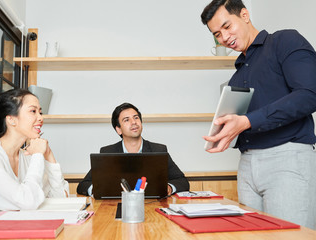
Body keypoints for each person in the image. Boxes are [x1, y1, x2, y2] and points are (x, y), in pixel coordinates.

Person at [201, 0, 316, 229]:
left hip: (287, 158)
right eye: (217, 34)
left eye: (227, 26)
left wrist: (246, 121)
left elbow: (310, 94)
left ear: (244, 15)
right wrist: (225, 133)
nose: (224, 37)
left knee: (290, 235)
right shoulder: (236, 76)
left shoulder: (284, 41)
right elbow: (243, 124)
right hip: (247, 165)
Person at [0, 89, 69, 228]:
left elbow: (60, 200)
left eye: (40, 112)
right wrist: (37, 155)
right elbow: (27, 201)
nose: (40, 118)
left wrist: (48, 155)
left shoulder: (26, 157)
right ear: (11, 119)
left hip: (14, 233)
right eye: (33, 111)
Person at [77, 102, 189, 196]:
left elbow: (182, 182)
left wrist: (169, 187)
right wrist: (95, 190)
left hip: (153, 208)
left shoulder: (158, 149)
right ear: (118, 130)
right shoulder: (108, 152)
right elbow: (83, 185)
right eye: (126, 120)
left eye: (136, 118)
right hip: (115, 208)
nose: (134, 122)